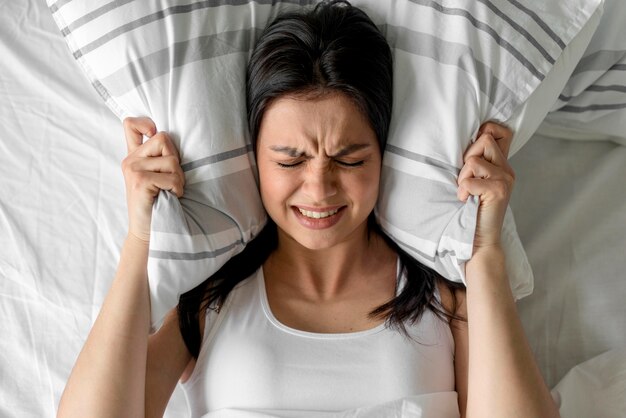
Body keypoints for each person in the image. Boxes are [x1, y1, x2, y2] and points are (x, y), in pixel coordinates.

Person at [58, 1, 559, 417]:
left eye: (349, 158)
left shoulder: (445, 301)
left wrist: (486, 254)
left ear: (383, 154)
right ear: (255, 158)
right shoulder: (208, 303)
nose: (319, 187)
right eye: (289, 159)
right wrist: (140, 241)